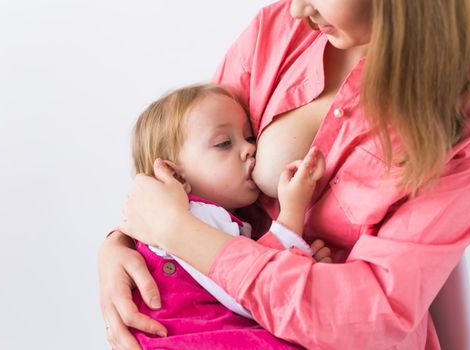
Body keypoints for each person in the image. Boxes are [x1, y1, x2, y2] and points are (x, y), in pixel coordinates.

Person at [99, 0, 470, 349]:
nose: (299, 9)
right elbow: (191, 153)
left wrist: (177, 233)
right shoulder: (277, 31)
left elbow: (375, 315)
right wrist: (126, 244)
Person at [125, 83, 329, 348]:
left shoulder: (204, 216)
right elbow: (247, 289)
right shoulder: (194, 215)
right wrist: (292, 212)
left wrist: (300, 259)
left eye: (250, 137)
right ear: (175, 175)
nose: (249, 149)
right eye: (224, 143)